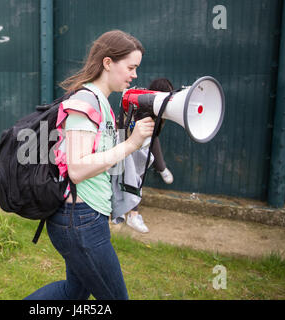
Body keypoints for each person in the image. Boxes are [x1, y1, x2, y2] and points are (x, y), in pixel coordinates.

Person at [24, 30, 154, 300]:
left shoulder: (101, 102)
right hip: (80, 221)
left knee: (74, 292)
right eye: (130, 67)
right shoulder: (86, 102)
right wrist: (130, 144)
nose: (134, 75)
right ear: (108, 63)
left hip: (84, 217)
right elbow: (78, 168)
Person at [124, 78, 174, 233]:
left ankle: (161, 168)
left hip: (142, 143)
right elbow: (128, 127)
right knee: (135, 177)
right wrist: (134, 129)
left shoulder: (158, 113)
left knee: (137, 176)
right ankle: (133, 215)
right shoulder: (141, 108)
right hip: (129, 144)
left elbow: (154, 136)